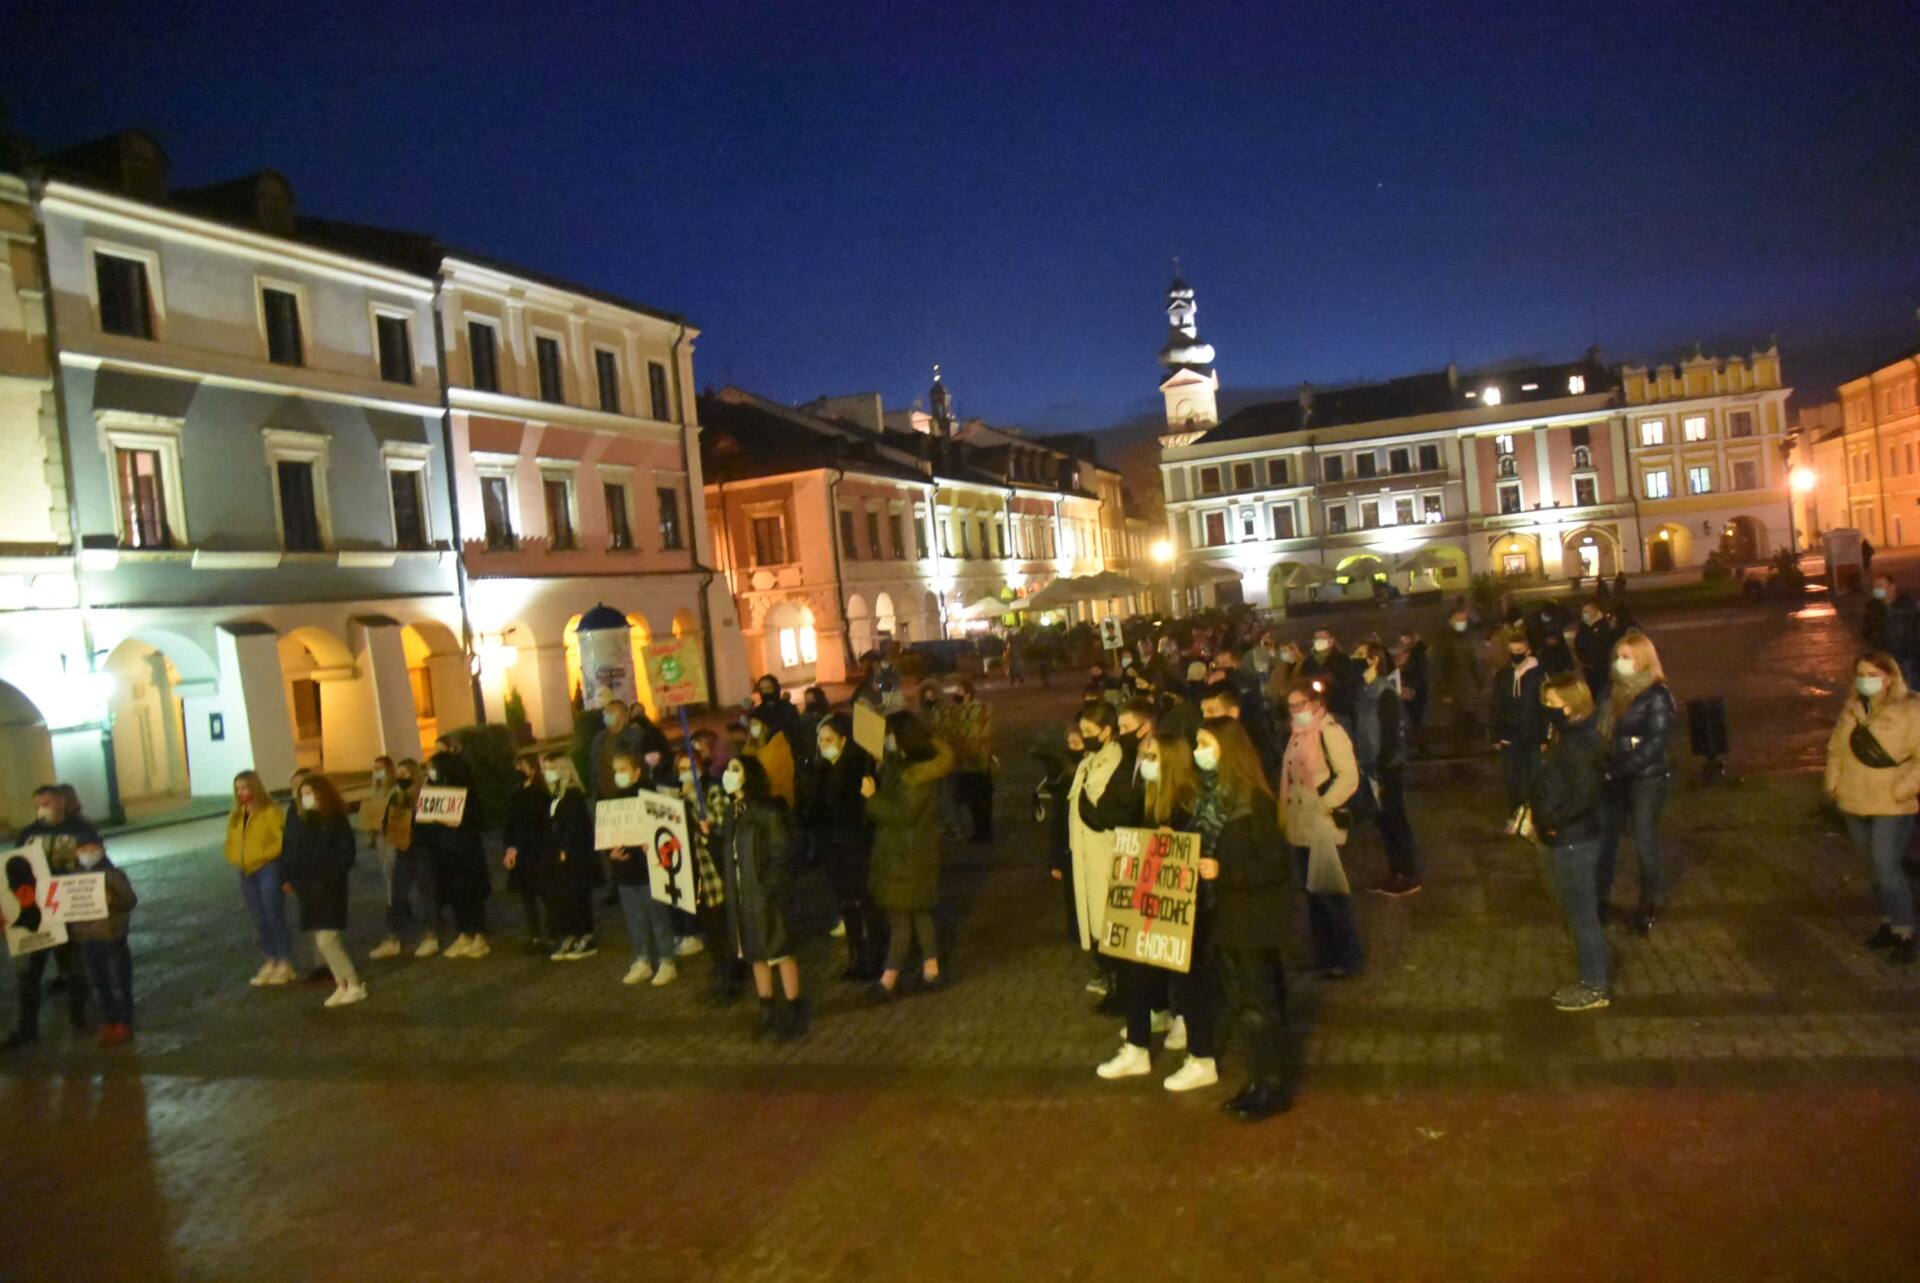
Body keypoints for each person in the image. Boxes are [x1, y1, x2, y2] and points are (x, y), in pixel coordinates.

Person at [1197, 718, 1299, 1120]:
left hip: (1253, 920)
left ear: (1227, 750)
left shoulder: (1253, 799)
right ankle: (1258, 1080)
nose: (1198, 753)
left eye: (1205, 744)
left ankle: (1272, 1086)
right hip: (1229, 917)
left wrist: (1224, 871)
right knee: (1245, 1003)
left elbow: (1274, 864)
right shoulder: (1215, 798)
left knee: (1260, 1004)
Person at [1824, 649, 1920, 965]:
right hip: (1854, 799)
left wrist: (1903, 787)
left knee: (1887, 867)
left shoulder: (1911, 708)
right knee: (1874, 870)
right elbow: (1836, 748)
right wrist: (1834, 783)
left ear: (1889, 677)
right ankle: (1888, 923)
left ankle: (1905, 930)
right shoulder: (1853, 708)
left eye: (1873, 676)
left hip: (1891, 802)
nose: (1866, 681)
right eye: (1861, 675)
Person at [1530, 671, 1612, 1010]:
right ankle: (1589, 979)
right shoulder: (1568, 736)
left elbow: (1583, 795)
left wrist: (1550, 821)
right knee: (1576, 911)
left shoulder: (1578, 744)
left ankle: (1594, 986)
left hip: (1573, 841)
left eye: (1551, 703)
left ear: (1570, 706)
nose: (1546, 708)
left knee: (1582, 915)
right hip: (1566, 837)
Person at [863, 711, 955, 999]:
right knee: (918, 913)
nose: (887, 740)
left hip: (907, 855)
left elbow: (903, 814)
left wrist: (872, 797)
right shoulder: (906, 765)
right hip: (910, 852)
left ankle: (889, 979)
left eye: (890, 734)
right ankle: (932, 969)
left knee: (900, 918)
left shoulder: (917, 775)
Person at [1278, 680, 1364, 977]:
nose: (1294, 710)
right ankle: (1325, 955)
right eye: (1290, 706)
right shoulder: (1297, 735)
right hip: (1300, 824)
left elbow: (1348, 776)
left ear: (1315, 704)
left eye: (1299, 704)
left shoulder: (1330, 732)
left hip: (1321, 824)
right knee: (1312, 893)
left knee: (1330, 892)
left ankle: (1348, 957)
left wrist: (1324, 804)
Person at [716, 754, 806, 1038]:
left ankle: (794, 1008)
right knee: (754, 952)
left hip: (766, 893)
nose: (728, 774)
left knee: (779, 950)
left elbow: (783, 852)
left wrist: (770, 887)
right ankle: (766, 1007)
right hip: (742, 895)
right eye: (728, 769)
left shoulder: (768, 810)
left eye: (735, 769)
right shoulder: (732, 812)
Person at [3, 785, 99, 1048]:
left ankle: (81, 1019)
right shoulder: (29, 833)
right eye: (38, 804)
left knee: (75, 969)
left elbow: (96, 863)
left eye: (47, 802)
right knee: (28, 974)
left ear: (61, 802)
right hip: (37, 911)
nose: (42, 808)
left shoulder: (81, 829)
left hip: (67, 908)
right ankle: (27, 1028)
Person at [1597, 629, 1676, 934]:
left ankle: (1648, 904)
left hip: (1646, 778)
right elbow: (1600, 731)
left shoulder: (1657, 694)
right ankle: (1599, 900)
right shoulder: (1611, 691)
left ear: (1643, 660)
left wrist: (1620, 769)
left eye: (1627, 658)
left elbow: (1656, 743)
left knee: (1645, 841)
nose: (1620, 663)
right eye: (1618, 657)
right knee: (1605, 841)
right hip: (1613, 775)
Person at [1068, 701, 1137, 1007]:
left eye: (1089, 731)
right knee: (1097, 920)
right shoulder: (1089, 761)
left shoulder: (1114, 762)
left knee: (1110, 920)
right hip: (1087, 856)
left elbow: (1104, 811)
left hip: (1105, 855)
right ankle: (1110, 979)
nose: (1083, 737)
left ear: (1107, 732)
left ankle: (1121, 987)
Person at [281, 775, 366, 1008]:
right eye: (302, 793)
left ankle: (354, 983)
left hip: (329, 888)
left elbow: (345, 854)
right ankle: (342, 984)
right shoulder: (305, 821)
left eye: (309, 792)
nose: (305, 797)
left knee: (329, 939)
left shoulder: (335, 820)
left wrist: (328, 875)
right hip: (309, 889)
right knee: (321, 940)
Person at [812, 715, 881, 980]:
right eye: (819, 740)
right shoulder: (822, 769)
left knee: (864, 903)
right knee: (846, 905)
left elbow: (861, 810)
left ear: (843, 740)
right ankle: (857, 956)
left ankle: (873, 956)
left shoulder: (857, 768)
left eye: (828, 739)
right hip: (834, 848)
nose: (822, 745)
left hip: (855, 847)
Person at [1353, 643, 1421, 897]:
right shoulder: (1366, 691)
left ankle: (1407, 873)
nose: (1355, 659)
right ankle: (1396, 872)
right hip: (1373, 765)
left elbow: (1390, 734)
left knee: (1395, 820)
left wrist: (1382, 768)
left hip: (1387, 767)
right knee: (1385, 822)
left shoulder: (1385, 692)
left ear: (1373, 661)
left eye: (1360, 655)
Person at [605, 750, 679, 982]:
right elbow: (609, 833)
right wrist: (611, 852)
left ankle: (667, 960)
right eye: (616, 771)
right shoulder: (615, 800)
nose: (619, 775)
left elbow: (668, 830)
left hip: (649, 868)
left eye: (623, 770)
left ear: (637, 771)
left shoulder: (651, 798)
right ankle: (642, 959)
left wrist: (655, 845)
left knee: (657, 915)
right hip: (625, 871)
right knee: (634, 917)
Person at [414, 751, 491, 958]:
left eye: (433, 767)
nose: (430, 772)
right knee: (455, 895)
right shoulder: (433, 790)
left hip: (465, 852)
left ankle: (479, 936)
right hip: (444, 852)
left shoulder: (465, 791)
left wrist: (458, 822)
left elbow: (477, 820)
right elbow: (422, 824)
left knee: (471, 894)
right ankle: (463, 933)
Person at [226, 770, 295, 987]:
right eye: (237, 789)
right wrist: (234, 856)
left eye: (245, 787)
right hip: (246, 870)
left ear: (254, 788)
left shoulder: (270, 812)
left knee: (273, 913)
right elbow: (231, 839)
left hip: (267, 867)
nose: (241, 793)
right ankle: (270, 959)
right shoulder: (237, 815)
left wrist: (264, 855)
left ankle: (285, 961)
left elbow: (280, 840)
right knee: (259, 918)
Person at [66, 838, 138, 1045]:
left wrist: (112, 899)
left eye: (92, 848)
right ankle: (108, 1020)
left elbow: (130, 900)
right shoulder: (74, 878)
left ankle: (124, 1021)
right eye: (83, 849)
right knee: (98, 981)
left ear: (102, 850)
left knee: (118, 980)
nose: (88, 852)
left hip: (111, 935)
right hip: (87, 937)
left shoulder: (113, 875)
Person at [536, 752, 601, 963]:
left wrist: (565, 849)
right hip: (558, 857)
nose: (547, 773)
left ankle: (586, 936)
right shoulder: (555, 796)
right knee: (564, 898)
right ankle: (571, 934)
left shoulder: (573, 796)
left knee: (578, 897)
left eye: (551, 768)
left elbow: (575, 828)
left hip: (574, 858)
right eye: (545, 768)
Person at [370, 759, 433, 960]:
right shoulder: (398, 797)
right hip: (402, 851)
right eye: (398, 774)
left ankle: (431, 935)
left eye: (405, 773)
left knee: (425, 894)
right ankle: (396, 937)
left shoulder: (423, 796)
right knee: (397, 895)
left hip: (420, 850)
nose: (401, 777)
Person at [1490, 632, 1547, 834]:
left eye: (1519, 651)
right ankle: (1516, 816)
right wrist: (1495, 735)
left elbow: (1545, 706)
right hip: (1510, 736)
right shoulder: (1503, 675)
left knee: (1535, 779)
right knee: (1513, 780)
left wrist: (1544, 737)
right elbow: (1496, 705)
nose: (1515, 655)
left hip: (1532, 736)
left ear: (1528, 651)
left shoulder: (1539, 675)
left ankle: (1536, 818)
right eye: (1512, 652)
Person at [501, 754, 554, 953]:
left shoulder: (540, 793)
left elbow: (541, 825)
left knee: (545, 895)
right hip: (521, 853)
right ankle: (535, 934)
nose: (518, 770)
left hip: (537, 851)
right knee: (527, 897)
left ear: (532, 769)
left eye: (521, 766)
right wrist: (509, 847)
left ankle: (550, 934)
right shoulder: (516, 793)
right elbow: (510, 825)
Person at [946, 681, 995, 843]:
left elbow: (980, 732)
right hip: (964, 762)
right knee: (972, 800)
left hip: (977, 760)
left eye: (959, 691)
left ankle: (985, 830)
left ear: (968, 694)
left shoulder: (981, 709)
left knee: (983, 798)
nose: (956, 694)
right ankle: (978, 830)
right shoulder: (955, 711)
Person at [742, 706, 796, 806]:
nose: (752, 728)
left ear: (766, 726)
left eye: (755, 724)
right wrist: (749, 743)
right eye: (751, 724)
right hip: (764, 799)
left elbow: (763, 774)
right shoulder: (758, 743)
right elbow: (744, 762)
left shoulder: (778, 746)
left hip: (778, 802)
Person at [1299, 628, 1355, 724]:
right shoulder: (1309, 662)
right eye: (1316, 639)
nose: (1318, 641)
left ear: (1331, 640)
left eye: (1322, 638)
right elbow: (1301, 680)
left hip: (1337, 711)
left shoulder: (1342, 660)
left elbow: (1349, 685)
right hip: (1313, 711)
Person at [1573, 599, 1621, 704]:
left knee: (1604, 694)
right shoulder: (1583, 625)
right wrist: (1584, 660)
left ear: (1595, 610)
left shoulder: (1605, 625)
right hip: (1589, 668)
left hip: (1602, 668)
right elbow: (1578, 644)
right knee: (1594, 694)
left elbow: (1608, 645)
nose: (1584, 614)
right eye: (1583, 611)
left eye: (1587, 611)